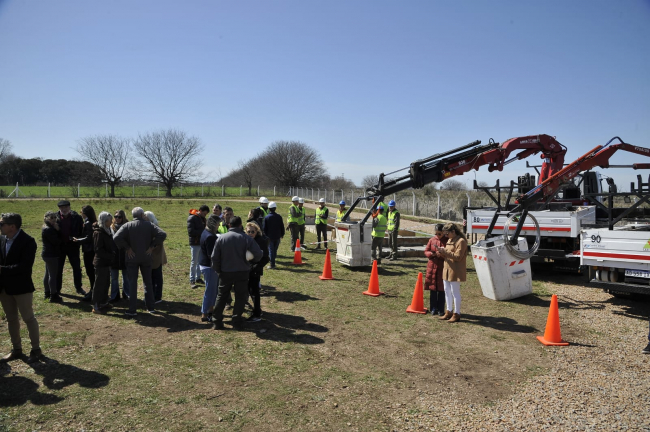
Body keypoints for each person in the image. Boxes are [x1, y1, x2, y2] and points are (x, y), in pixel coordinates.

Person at [0, 213, 43, 364]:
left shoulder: (28, 241)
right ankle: (16, 349)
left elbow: (24, 267)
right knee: (11, 320)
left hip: (21, 287)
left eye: (2, 224)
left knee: (28, 318)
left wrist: (1, 270)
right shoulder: (2, 239)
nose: (0, 227)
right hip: (5, 289)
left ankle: (36, 349)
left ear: (12, 227)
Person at [113, 207, 167, 317]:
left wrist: (127, 248)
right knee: (148, 282)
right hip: (146, 257)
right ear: (142, 214)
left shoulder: (127, 226)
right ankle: (151, 307)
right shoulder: (149, 225)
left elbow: (116, 237)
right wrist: (152, 246)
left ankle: (132, 309)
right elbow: (162, 234)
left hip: (132, 258)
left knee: (132, 283)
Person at [210, 216, 262, 329]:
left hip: (225, 272)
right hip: (242, 272)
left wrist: (218, 270)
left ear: (229, 225)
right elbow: (258, 254)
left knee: (221, 296)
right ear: (240, 225)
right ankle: (237, 321)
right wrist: (251, 261)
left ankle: (217, 321)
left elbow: (214, 257)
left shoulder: (221, 238)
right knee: (240, 296)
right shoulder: (246, 238)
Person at [436, 222, 467, 323]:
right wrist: (441, 252)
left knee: (455, 292)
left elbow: (458, 257)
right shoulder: (450, 239)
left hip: (455, 270)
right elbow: (448, 254)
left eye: (447, 233)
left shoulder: (461, 241)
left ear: (453, 232)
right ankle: (448, 311)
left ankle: (457, 313)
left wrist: (444, 251)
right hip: (447, 269)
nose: (446, 236)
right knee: (447, 291)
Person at [55, 200, 86, 296]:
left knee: (76, 268)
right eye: (62, 207)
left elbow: (82, 231)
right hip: (60, 247)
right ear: (59, 208)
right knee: (58, 269)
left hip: (73, 246)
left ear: (69, 207)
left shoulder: (77, 217)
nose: (64, 209)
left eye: (66, 207)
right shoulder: (55, 217)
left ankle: (78, 287)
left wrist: (78, 240)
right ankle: (57, 288)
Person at [91, 212, 115, 314]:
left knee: (106, 283)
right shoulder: (99, 233)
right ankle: (95, 305)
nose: (112, 221)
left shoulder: (108, 230)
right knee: (99, 284)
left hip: (106, 262)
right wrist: (110, 255)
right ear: (105, 221)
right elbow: (98, 249)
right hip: (101, 262)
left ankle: (104, 302)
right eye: (110, 220)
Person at [245, 222, 269, 322]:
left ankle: (257, 314)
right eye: (249, 231)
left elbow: (266, 257)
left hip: (255, 270)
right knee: (250, 290)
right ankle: (257, 310)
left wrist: (256, 267)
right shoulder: (246, 240)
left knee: (254, 291)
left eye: (253, 232)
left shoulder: (260, 241)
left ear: (257, 232)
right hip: (247, 269)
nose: (251, 233)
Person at [200, 215, 221, 322]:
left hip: (205, 265)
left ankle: (210, 310)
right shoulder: (210, 237)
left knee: (212, 290)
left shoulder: (205, 232)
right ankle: (205, 313)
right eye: (217, 224)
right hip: (209, 267)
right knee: (210, 291)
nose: (218, 226)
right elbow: (211, 255)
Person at [74, 205, 97, 302]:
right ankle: (93, 290)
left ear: (85, 213)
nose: (80, 213)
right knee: (92, 272)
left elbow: (88, 238)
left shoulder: (87, 223)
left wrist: (77, 240)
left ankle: (93, 291)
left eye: (81, 211)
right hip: (92, 250)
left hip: (88, 250)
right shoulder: (92, 221)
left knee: (90, 272)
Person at [423, 224, 447, 316]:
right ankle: (433, 308)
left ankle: (441, 309)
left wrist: (441, 255)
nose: (438, 235)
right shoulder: (432, 240)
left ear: (444, 232)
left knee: (442, 290)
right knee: (433, 289)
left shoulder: (447, 241)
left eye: (439, 234)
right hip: (432, 267)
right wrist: (432, 254)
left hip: (442, 267)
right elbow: (426, 251)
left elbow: (449, 254)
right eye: (436, 233)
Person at [145, 211, 167, 304]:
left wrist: (151, 247)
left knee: (156, 277)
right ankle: (152, 295)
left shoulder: (155, 228)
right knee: (151, 277)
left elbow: (158, 242)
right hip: (152, 256)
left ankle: (157, 297)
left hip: (156, 256)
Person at [41, 210, 63, 303]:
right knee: (52, 275)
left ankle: (47, 293)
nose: (54, 220)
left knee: (47, 274)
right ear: (46, 218)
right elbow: (57, 242)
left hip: (47, 254)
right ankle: (53, 295)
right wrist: (58, 230)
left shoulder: (45, 227)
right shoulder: (50, 229)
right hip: (51, 254)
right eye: (51, 218)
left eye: (55, 217)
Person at [109, 209, 129, 302]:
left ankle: (127, 294)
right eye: (115, 216)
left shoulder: (127, 227)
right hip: (114, 256)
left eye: (119, 217)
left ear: (123, 217)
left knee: (126, 277)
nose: (117, 218)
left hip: (125, 255)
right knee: (114, 278)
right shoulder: (111, 227)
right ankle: (114, 295)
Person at [187, 205, 209, 288]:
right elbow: (191, 232)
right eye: (204, 213)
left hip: (201, 242)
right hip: (195, 243)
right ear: (200, 211)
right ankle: (192, 280)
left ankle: (198, 278)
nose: (205, 215)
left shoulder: (202, 218)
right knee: (194, 262)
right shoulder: (192, 218)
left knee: (200, 261)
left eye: (206, 214)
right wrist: (203, 232)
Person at [263, 202, 284, 269]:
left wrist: (265, 236)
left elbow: (264, 228)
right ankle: (273, 261)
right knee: (274, 250)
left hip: (270, 237)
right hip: (277, 236)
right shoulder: (279, 217)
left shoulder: (267, 217)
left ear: (269, 209)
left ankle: (272, 264)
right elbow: (282, 226)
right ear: (275, 208)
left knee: (271, 250)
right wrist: (282, 234)